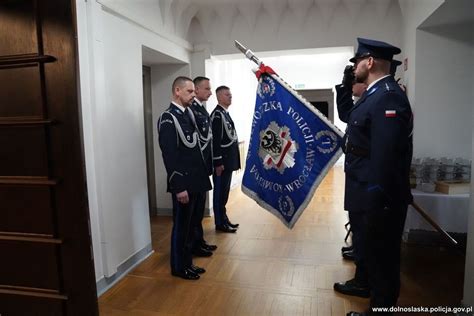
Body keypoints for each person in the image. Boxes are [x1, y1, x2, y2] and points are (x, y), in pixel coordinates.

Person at [342, 38, 413, 316]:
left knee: (383, 262)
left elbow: (385, 156)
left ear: (369, 62)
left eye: (357, 61)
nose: (354, 68)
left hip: (379, 198)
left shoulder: (388, 96)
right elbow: (365, 137)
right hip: (367, 192)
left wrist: (376, 199)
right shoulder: (376, 94)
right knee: (374, 257)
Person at [158, 76, 212, 280]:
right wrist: (179, 187)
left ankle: (188, 262)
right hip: (184, 183)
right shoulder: (168, 118)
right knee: (182, 227)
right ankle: (179, 267)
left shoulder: (187, 114)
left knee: (191, 226)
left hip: (196, 180)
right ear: (177, 91)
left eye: (193, 91)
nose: (193, 95)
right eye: (189, 92)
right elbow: (170, 156)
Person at [334, 67, 371, 298]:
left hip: (367, 180)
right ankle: (362, 270)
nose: (350, 86)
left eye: (353, 81)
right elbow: (347, 114)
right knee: (360, 230)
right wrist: (344, 86)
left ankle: (364, 281)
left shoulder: (379, 100)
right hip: (360, 177)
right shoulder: (367, 101)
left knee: (366, 233)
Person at [189, 76, 217, 257]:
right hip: (195, 168)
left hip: (203, 167)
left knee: (199, 210)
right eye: (207, 89)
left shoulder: (201, 109)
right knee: (193, 213)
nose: (210, 92)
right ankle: (194, 244)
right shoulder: (191, 110)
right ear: (197, 90)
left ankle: (200, 241)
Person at [210, 86, 241, 233]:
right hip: (222, 163)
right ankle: (219, 222)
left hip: (227, 162)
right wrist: (218, 162)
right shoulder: (217, 115)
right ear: (219, 97)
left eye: (231, 94)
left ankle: (224, 218)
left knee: (224, 193)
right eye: (227, 94)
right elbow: (215, 141)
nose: (230, 97)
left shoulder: (224, 114)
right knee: (220, 193)